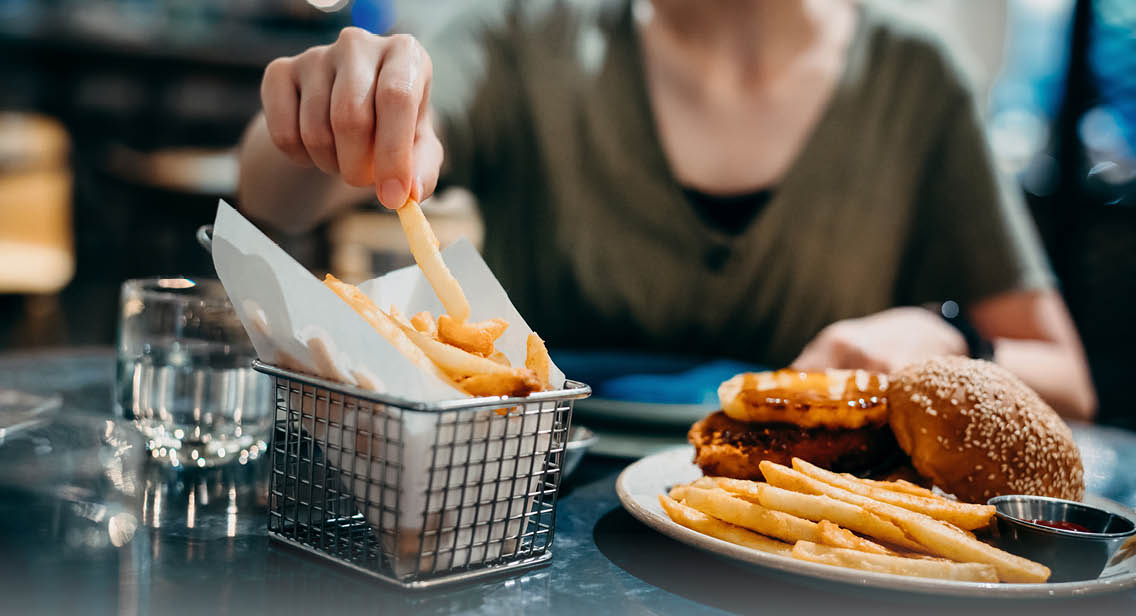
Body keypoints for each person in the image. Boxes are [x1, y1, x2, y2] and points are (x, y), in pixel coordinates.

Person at [237, 0, 1097, 419]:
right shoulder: (531, 40)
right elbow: (273, 195)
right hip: (523, 540)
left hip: (816, 573)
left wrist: (950, 340)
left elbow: (1068, 381)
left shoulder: (915, 82)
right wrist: (316, 122)